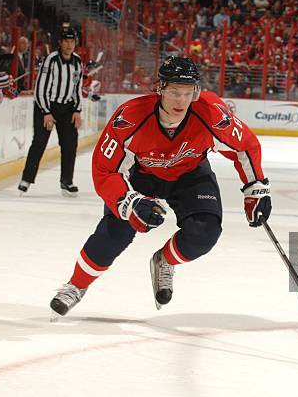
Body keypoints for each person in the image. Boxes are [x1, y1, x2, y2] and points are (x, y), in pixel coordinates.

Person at [49, 56, 272, 317]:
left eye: (188, 93)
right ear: (161, 89)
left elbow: (245, 145)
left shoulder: (211, 113)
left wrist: (255, 187)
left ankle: (164, 261)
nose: (181, 101)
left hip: (190, 174)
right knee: (116, 230)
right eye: (175, 92)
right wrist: (128, 202)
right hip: (142, 175)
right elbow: (105, 169)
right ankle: (76, 285)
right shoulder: (130, 117)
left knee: (205, 233)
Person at [18, 28, 83, 196]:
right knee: (39, 142)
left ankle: (66, 181)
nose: (69, 45)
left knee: (70, 144)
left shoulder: (77, 62)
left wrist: (77, 110)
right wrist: (46, 112)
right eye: (66, 41)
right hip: (46, 106)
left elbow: (78, 88)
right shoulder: (51, 60)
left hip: (67, 108)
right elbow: (40, 88)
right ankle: (26, 179)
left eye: (72, 42)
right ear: (60, 43)